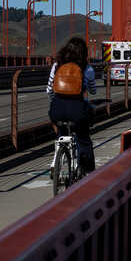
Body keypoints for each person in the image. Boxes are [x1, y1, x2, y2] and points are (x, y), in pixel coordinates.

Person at [48, 38, 96, 173]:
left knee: (61, 130)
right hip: (77, 110)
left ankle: (56, 158)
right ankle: (89, 172)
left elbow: (49, 90)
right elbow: (93, 91)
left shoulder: (57, 66)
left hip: (57, 109)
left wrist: (56, 100)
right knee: (83, 139)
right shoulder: (88, 68)